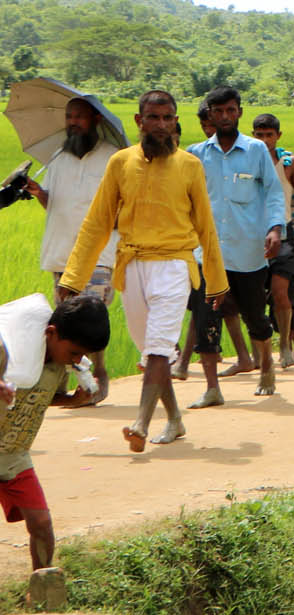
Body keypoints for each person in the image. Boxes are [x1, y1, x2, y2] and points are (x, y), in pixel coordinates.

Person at [61, 90, 229, 451]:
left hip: (174, 265)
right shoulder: (121, 163)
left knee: (157, 349)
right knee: (153, 350)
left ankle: (140, 423)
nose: (162, 125)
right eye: (154, 118)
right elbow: (97, 223)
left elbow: (206, 226)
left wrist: (216, 282)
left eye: (169, 118)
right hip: (132, 266)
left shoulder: (189, 166)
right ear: (139, 121)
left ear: (176, 122)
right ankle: (175, 420)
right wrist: (73, 278)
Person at [0, 294, 110, 596]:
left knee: (41, 522)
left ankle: (42, 589)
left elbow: (41, 398)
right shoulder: (12, 356)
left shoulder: (59, 365)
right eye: (73, 352)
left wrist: (72, 400)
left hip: (14, 454)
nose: (76, 361)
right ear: (51, 333)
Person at [186, 86, 285, 405]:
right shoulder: (196, 154)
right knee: (206, 319)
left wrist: (274, 228)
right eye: (219, 111)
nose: (225, 116)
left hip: (248, 250)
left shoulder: (256, 150)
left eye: (231, 110)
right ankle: (212, 388)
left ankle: (266, 363)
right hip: (207, 254)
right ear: (210, 115)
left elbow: (272, 192)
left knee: (255, 316)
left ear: (239, 112)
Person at [23, 95, 118, 404]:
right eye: (69, 117)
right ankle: (63, 384)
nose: (73, 123)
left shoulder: (114, 158)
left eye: (79, 117)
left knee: (92, 317)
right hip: (62, 251)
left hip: (98, 254)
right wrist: (39, 193)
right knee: (64, 321)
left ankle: (99, 376)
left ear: (96, 121)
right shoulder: (58, 158)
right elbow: (55, 202)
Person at [250, 113, 294, 370]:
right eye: (260, 135)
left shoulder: (289, 163)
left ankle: (285, 345)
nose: (265, 140)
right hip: (254, 235)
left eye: (269, 135)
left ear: (278, 136)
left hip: (285, 234)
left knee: (279, 292)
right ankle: (260, 350)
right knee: (255, 296)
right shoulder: (247, 162)